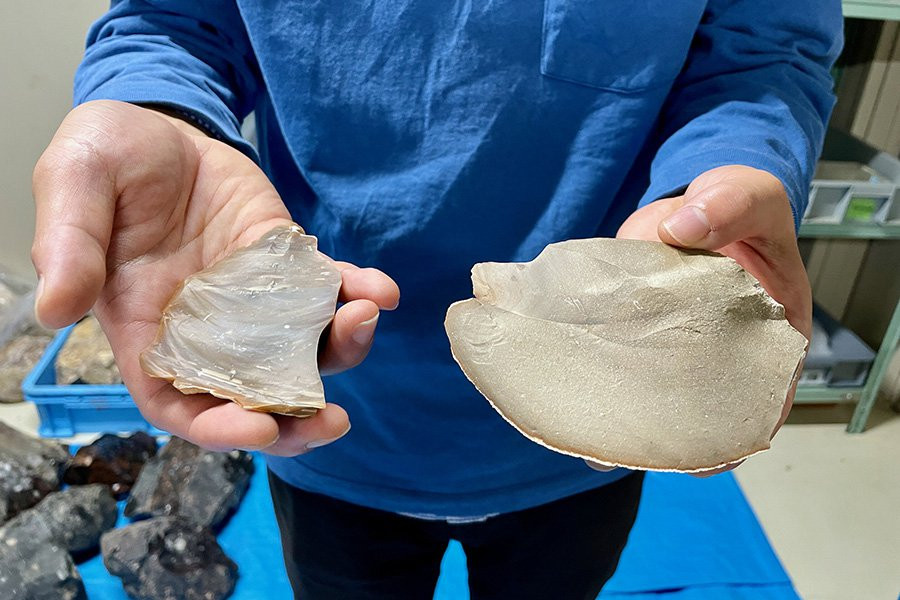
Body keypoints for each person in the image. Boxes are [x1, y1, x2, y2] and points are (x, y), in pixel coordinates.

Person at [31, 2, 841, 598]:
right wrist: (152, 104)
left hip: (598, 413)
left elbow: (762, 52)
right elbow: (172, 24)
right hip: (334, 417)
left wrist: (731, 167)